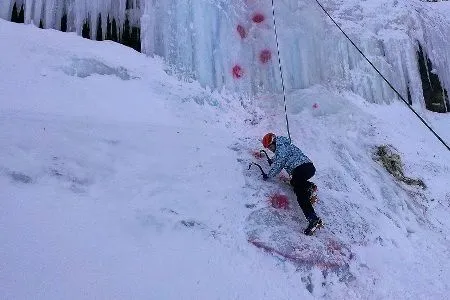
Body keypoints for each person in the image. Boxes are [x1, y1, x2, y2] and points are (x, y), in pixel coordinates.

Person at [261, 132, 323, 235]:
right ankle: (309, 187)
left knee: (300, 193)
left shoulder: (281, 149)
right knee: (295, 182)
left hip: (300, 169)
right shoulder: (284, 145)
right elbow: (282, 157)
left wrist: (268, 175)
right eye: (269, 148)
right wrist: (272, 160)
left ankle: (313, 219)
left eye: (270, 147)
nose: (271, 149)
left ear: (274, 142)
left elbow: (279, 164)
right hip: (309, 168)